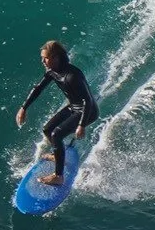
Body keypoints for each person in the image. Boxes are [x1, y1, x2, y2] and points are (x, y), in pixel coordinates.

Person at [15, 40, 99, 188]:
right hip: (73, 107)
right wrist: (24, 108)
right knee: (47, 129)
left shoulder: (72, 75)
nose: (43, 61)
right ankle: (58, 155)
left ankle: (58, 177)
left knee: (56, 135)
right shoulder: (52, 71)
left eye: (45, 58)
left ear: (55, 58)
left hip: (88, 111)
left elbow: (87, 102)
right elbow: (38, 88)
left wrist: (81, 125)